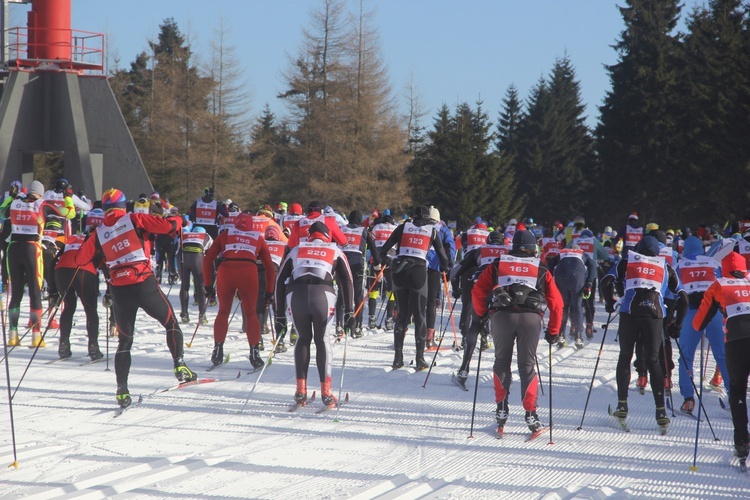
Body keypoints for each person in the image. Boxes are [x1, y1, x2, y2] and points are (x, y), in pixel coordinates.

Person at [75, 188, 197, 408]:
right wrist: (178, 218)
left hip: (120, 290)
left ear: (104, 209)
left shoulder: (98, 232)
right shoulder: (135, 218)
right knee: (170, 323)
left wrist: (90, 238)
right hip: (143, 283)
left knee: (125, 340)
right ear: (124, 206)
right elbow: (170, 226)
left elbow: (80, 260)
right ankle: (179, 365)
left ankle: (122, 390)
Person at [471, 229, 563, 436]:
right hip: (531, 319)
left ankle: (501, 410)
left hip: (502, 317)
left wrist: (482, 314)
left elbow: (478, 291)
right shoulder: (541, 267)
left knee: (501, 361)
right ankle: (531, 416)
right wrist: (554, 331)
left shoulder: (498, 263)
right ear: (533, 248)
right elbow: (556, 303)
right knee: (527, 365)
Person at [601, 235, 687, 431]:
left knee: (625, 356)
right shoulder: (665, 267)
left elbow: (605, 282)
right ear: (658, 251)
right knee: (654, 360)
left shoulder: (627, 261)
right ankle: (661, 412)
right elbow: (683, 299)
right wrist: (677, 325)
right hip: (655, 316)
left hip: (630, 314)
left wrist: (609, 303)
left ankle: (622, 405)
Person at [274, 221, 355, 408]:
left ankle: (300, 391)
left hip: (296, 295)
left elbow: (279, 281)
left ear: (309, 235)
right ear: (328, 236)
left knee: (303, 339)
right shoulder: (335, 250)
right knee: (322, 340)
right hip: (323, 296)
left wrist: (279, 315)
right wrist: (350, 312)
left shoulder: (296, 249)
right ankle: (326, 393)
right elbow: (347, 281)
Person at [693, 252, 750, 460]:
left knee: (737, 392)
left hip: (736, 343)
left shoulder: (719, 285)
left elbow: (699, 323)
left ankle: (742, 443)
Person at [378, 206, 450, 370]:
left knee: (402, 314)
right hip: (418, 271)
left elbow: (383, 250)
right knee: (419, 314)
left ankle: (398, 358)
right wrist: (446, 266)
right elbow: (443, 257)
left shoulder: (403, 227)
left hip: (399, 270)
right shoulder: (432, 230)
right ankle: (420, 359)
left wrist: (390, 260)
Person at [202, 212, 275, 368]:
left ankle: (217, 350)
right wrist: (269, 291)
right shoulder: (258, 238)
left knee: (223, 312)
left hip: (226, 270)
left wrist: (208, 285)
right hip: (248, 271)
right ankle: (254, 353)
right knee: (250, 313)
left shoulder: (225, 234)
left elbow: (208, 259)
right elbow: (269, 267)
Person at [4, 180, 68, 347]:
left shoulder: (14, 202)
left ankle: (13, 335)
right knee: (35, 292)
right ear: (40, 193)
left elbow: (2, 213)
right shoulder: (43, 204)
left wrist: (11, 196)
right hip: (32, 249)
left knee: (16, 292)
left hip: (13, 249)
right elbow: (67, 213)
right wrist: (67, 197)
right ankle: (36, 336)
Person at [675, 235, 730, 414]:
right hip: (713, 312)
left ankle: (688, 399)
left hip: (692, 312)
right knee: (722, 354)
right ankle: (734, 396)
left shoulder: (680, 264)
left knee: (686, 356)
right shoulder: (713, 262)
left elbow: (673, 290)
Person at [451, 229, 508, 384]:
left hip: (482, 289)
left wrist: (456, 289)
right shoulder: (510, 252)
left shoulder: (479, 250)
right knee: (505, 332)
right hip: (504, 293)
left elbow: (456, 271)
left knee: (475, 325)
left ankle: (464, 369)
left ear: (487, 241)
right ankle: (502, 375)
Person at [53, 229, 102, 360]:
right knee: (91, 309)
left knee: (68, 307)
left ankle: (63, 345)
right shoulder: (98, 239)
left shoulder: (73, 239)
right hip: (83, 271)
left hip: (61, 270)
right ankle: (93, 347)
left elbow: (54, 261)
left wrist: (53, 291)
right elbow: (102, 262)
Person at [336, 210, 380, 338]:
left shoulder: (341, 228)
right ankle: (358, 326)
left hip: (341, 261)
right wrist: (377, 265)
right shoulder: (363, 231)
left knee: (342, 292)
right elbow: (373, 249)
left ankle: (339, 325)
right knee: (357, 294)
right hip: (356, 264)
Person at [552, 242, 597, 349]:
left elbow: (550, 263)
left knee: (563, 306)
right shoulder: (582, 253)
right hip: (577, 276)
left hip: (561, 275)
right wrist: (589, 282)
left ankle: (560, 335)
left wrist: (549, 278)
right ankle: (578, 335)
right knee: (577, 306)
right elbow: (593, 265)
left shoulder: (562, 253)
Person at [425, 206, 456, 349]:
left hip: (416, 266)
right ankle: (429, 337)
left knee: (415, 299)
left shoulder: (419, 226)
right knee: (431, 302)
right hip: (434, 267)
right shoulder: (443, 230)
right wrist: (449, 266)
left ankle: (402, 331)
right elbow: (451, 247)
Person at [368, 211, 398, 330]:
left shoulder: (376, 227)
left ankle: (371, 318)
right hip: (390, 258)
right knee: (391, 290)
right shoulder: (395, 228)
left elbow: (371, 243)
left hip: (376, 258)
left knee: (373, 289)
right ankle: (389, 319)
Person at [179, 224, 212, 324]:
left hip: (183, 259)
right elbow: (211, 254)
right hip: (197, 259)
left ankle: (184, 313)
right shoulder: (206, 236)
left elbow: (177, 250)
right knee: (200, 287)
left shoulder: (185, 234)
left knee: (184, 286)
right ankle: (202, 315)